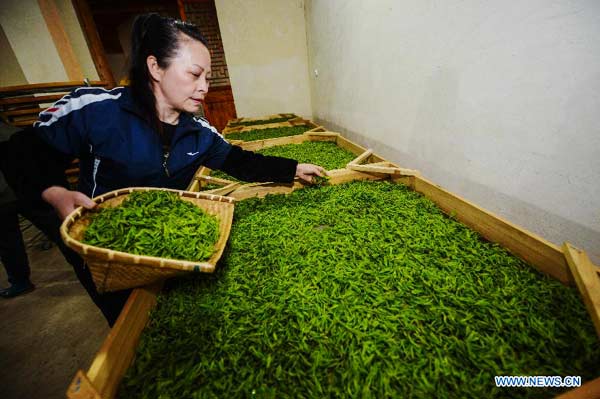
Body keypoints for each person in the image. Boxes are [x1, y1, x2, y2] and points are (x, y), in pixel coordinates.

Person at [0, 13, 325, 325]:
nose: (204, 87)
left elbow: (240, 162)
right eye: (194, 74)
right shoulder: (97, 109)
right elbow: (23, 152)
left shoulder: (199, 131)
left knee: (171, 309)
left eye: (208, 79)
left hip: (166, 237)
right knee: (125, 315)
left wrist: (294, 168)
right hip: (103, 241)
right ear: (155, 67)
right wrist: (54, 191)